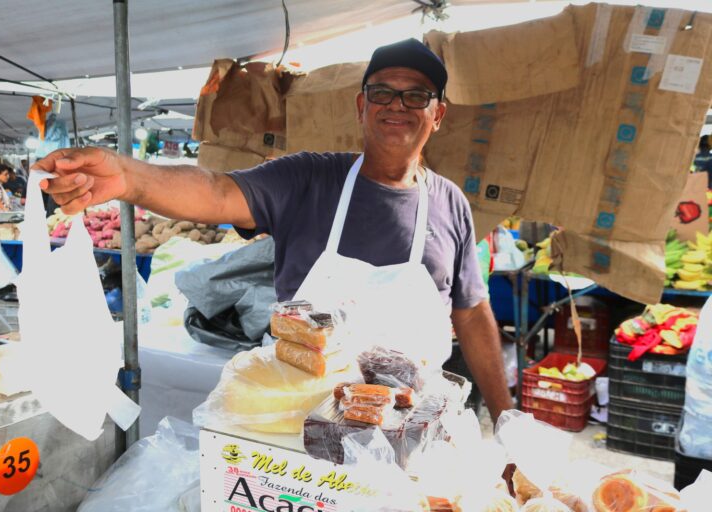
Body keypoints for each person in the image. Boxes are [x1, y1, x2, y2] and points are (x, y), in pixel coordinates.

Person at [35, 38, 514, 421]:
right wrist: (128, 177)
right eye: (382, 92)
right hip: (297, 419)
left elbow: (471, 312)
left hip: (408, 422)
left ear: (438, 113)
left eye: (417, 95)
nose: (397, 105)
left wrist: (506, 416)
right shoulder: (309, 178)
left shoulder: (450, 202)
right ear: (360, 105)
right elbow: (217, 192)